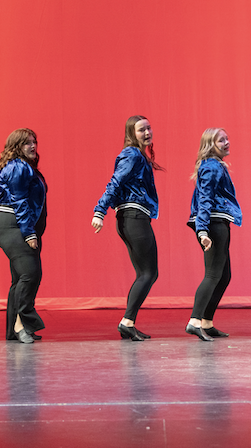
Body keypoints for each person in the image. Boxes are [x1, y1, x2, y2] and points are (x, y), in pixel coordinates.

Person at [92, 116, 162, 341]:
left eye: (148, 128)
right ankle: (127, 322)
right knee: (149, 273)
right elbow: (115, 181)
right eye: (141, 130)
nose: (147, 133)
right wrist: (99, 211)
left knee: (145, 273)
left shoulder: (138, 155)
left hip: (132, 217)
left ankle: (128, 322)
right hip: (134, 217)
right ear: (131, 133)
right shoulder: (131, 154)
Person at [0, 128, 47, 344]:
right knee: (30, 274)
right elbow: (20, 201)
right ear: (16, 147)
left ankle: (13, 330)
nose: (32, 146)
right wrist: (29, 232)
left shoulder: (24, 166)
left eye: (34, 142)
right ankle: (21, 323)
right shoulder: (18, 166)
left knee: (19, 278)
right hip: (12, 224)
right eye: (27, 143)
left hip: (15, 223)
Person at [186, 128, 242, 341]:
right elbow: (205, 198)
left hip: (218, 221)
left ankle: (206, 322)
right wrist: (202, 230)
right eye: (221, 140)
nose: (227, 143)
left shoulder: (215, 165)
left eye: (227, 139)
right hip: (213, 223)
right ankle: (195, 321)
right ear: (210, 145)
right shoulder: (212, 166)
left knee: (224, 275)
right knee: (212, 275)